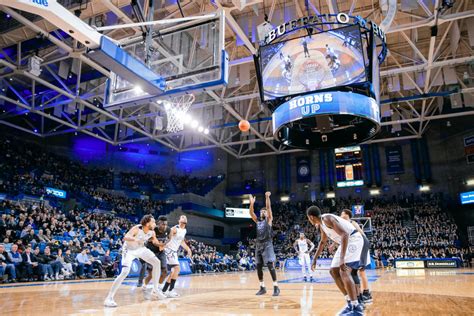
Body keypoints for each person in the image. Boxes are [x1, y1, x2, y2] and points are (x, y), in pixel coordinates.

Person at [307, 206, 364, 316]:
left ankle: (357, 308)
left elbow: (345, 234)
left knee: (344, 271)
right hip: (345, 242)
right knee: (333, 271)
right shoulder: (322, 225)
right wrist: (314, 259)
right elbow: (323, 242)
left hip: (353, 239)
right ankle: (349, 303)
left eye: (308, 218)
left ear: (311, 217)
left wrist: (342, 258)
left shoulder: (327, 218)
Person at [104, 214, 166, 307]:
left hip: (140, 249)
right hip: (128, 250)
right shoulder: (137, 228)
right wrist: (136, 239)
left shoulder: (152, 232)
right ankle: (109, 298)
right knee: (125, 272)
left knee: (157, 262)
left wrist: (162, 244)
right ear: (147, 223)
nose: (155, 224)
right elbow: (125, 237)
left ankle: (156, 289)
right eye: (153, 222)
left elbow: (155, 242)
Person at [249, 192, 280, 296]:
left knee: (270, 265)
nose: (263, 212)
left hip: (267, 244)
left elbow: (268, 207)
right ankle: (262, 287)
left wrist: (267, 197)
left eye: (264, 211)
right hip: (258, 245)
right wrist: (252, 203)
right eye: (261, 211)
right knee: (258, 266)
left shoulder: (269, 219)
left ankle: (276, 287)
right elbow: (251, 213)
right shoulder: (257, 221)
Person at [341, 209, 373, 304]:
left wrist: (365, 245)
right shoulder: (345, 225)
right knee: (354, 271)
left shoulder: (352, 222)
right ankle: (360, 294)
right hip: (358, 246)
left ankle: (366, 293)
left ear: (346, 215)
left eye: (342, 213)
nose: (340, 215)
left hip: (363, 243)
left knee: (361, 270)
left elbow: (362, 234)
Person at [162, 215, 192, 298]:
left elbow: (182, 242)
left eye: (185, 217)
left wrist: (188, 249)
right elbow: (167, 237)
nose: (184, 218)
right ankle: (170, 290)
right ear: (179, 220)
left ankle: (164, 291)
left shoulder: (184, 230)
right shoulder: (175, 229)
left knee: (172, 272)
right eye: (182, 217)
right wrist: (163, 247)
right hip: (169, 251)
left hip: (174, 252)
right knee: (177, 269)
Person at [138, 215, 170, 290]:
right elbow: (154, 242)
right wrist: (161, 244)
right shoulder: (152, 229)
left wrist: (167, 242)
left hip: (161, 251)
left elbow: (170, 237)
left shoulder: (168, 230)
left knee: (165, 271)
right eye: (163, 224)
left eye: (166, 224)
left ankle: (158, 287)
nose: (165, 226)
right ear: (158, 223)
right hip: (151, 251)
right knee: (152, 273)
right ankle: (144, 284)